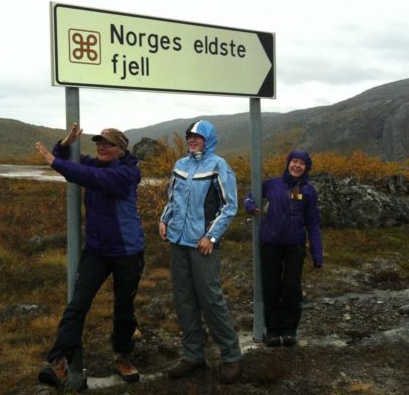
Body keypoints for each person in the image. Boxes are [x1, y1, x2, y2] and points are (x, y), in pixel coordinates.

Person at [34, 123, 145, 387]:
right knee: (78, 303)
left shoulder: (127, 173)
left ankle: (122, 356)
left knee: (124, 309)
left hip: (127, 251)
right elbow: (66, 160)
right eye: (98, 143)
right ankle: (60, 362)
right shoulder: (95, 165)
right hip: (97, 251)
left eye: (107, 144)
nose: (101, 148)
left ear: (121, 149)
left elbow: (91, 178)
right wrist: (64, 143)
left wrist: (57, 164)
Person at [158, 120, 242, 384]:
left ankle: (231, 356)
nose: (192, 140)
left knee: (211, 299)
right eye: (189, 136)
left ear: (208, 139)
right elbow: (173, 198)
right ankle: (193, 355)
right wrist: (164, 219)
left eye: (197, 137)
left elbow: (229, 206)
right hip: (178, 242)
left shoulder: (219, 166)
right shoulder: (180, 166)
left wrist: (211, 236)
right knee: (183, 300)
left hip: (202, 244)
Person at [244, 150, 323, 347]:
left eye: (302, 163)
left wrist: (317, 252)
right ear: (288, 163)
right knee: (271, 287)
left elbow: (313, 224)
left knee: (291, 288)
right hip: (270, 245)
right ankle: (272, 330)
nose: (297, 166)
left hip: (294, 247)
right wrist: (249, 204)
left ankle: (289, 330)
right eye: (294, 161)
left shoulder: (309, 191)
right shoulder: (272, 184)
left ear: (307, 168)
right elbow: (251, 195)